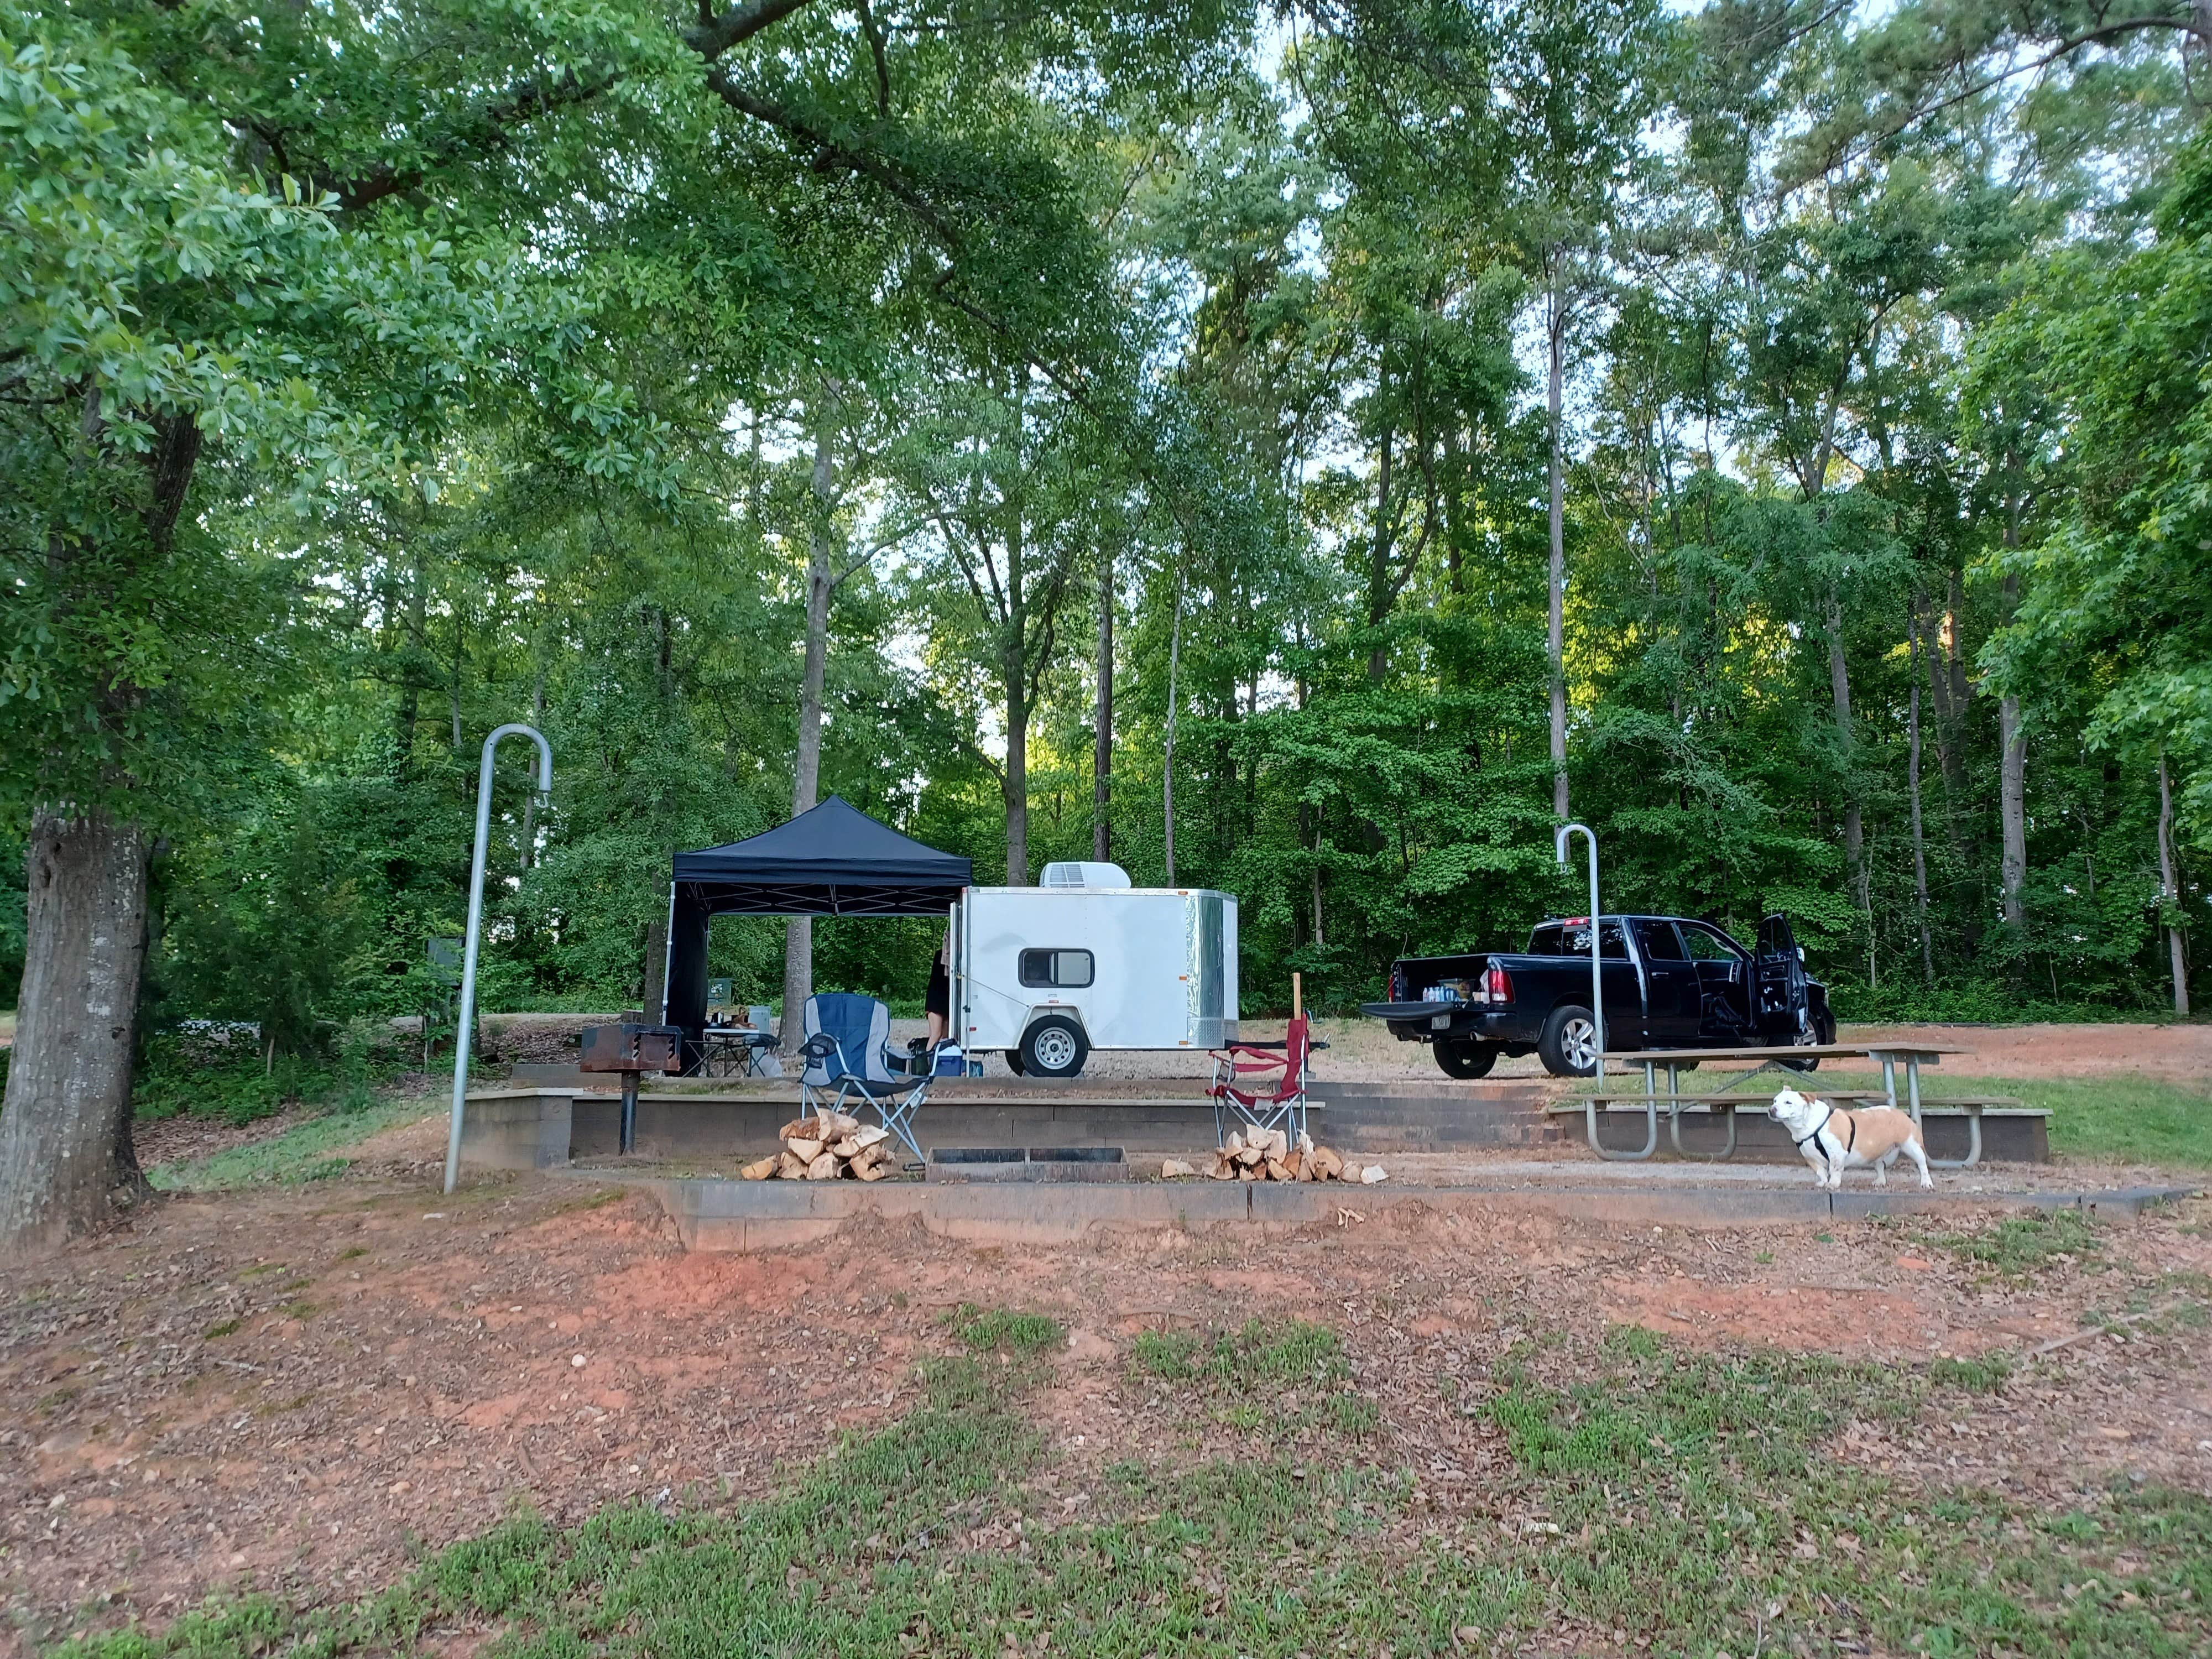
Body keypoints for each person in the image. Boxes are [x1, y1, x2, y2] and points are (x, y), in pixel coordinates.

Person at [924, 923, 951, 1046]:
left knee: (944, 1038)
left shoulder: (950, 957)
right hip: (936, 1001)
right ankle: (928, 1064)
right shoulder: (942, 956)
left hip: (945, 1001)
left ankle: (936, 1063)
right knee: (936, 1035)